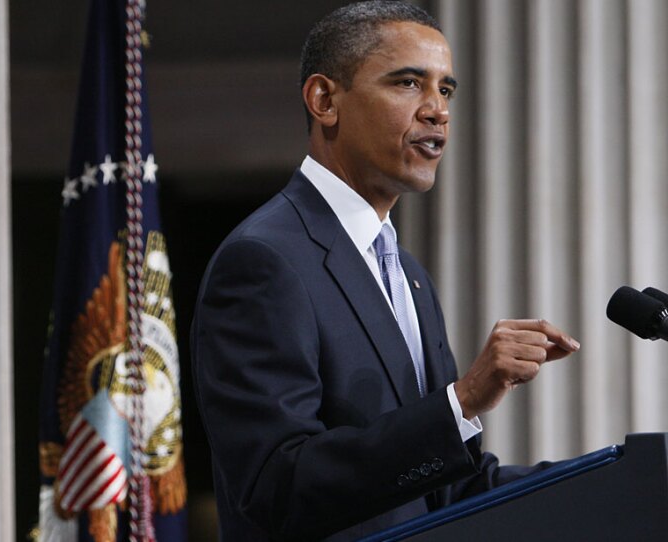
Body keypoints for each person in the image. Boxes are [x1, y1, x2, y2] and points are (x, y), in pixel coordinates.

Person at [190, 2, 581, 541]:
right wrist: (462, 400)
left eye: (445, 89)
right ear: (325, 101)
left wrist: (635, 477)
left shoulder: (408, 274)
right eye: (408, 84)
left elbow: (450, 493)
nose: (437, 110)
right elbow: (274, 487)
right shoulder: (264, 261)